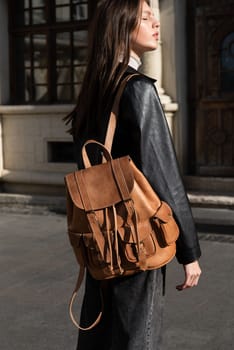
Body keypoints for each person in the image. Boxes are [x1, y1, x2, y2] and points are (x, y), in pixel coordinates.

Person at [66, 0, 202, 349]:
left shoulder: (95, 88)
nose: (156, 23)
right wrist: (189, 251)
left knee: (100, 333)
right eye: (145, 17)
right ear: (122, 27)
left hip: (100, 236)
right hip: (136, 240)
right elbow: (164, 175)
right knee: (137, 336)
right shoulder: (137, 88)